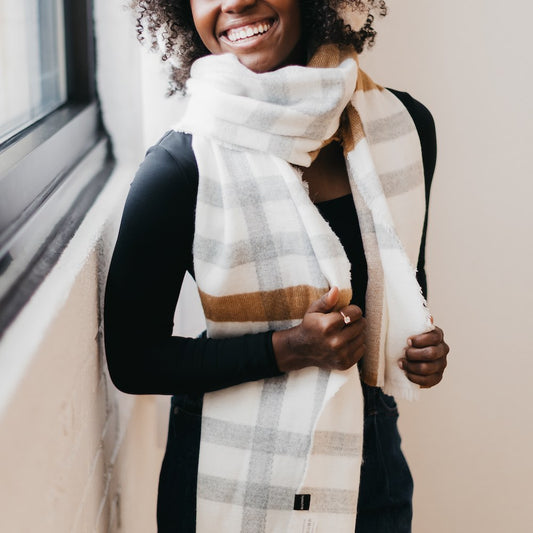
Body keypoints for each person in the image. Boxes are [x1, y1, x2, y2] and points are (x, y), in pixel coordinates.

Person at [104, 0, 450, 531]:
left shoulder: (403, 127)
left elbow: (404, 287)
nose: (236, 2)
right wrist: (290, 347)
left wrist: (420, 349)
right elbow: (131, 360)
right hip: (226, 465)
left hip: (371, 455)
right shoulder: (180, 167)